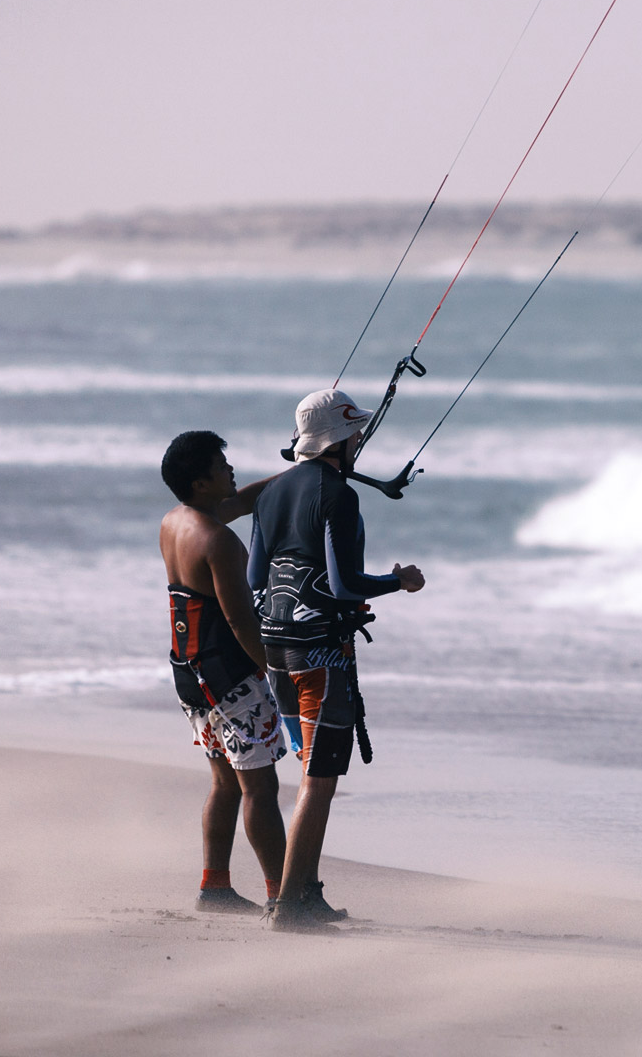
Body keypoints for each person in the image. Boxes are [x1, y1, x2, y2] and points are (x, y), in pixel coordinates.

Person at [250, 388, 424, 931]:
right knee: (319, 780)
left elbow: (256, 579)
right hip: (320, 658)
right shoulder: (339, 497)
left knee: (308, 774)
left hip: (276, 653)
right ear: (341, 437)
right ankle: (290, 906)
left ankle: (305, 891)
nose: (361, 442)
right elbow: (345, 584)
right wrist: (399, 581)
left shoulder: (271, 493)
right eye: (357, 433)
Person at [158, 430, 286, 915]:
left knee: (225, 782)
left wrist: (300, 472)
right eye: (221, 465)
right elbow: (239, 620)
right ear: (200, 482)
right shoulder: (220, 542)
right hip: (227, 677)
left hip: (188, 672)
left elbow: (246, 499)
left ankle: (215, 887)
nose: (231, 470)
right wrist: (273, 670)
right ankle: (283, 895)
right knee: (261, 787)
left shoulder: (177, 521)